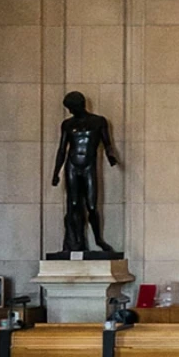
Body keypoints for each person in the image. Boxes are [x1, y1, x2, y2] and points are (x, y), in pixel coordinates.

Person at [52, 91, 123, 258]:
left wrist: (111, 156)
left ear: (79, 105)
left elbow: (107, 144)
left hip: (89, 166)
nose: (70, 111)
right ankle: (74, 242)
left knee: (91, 206)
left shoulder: (98, 121)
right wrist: (56, 172)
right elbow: (62, 149)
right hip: (72, 165)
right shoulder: (67, 124)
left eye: (71, 108)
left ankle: (99, 239)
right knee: (74, 204)